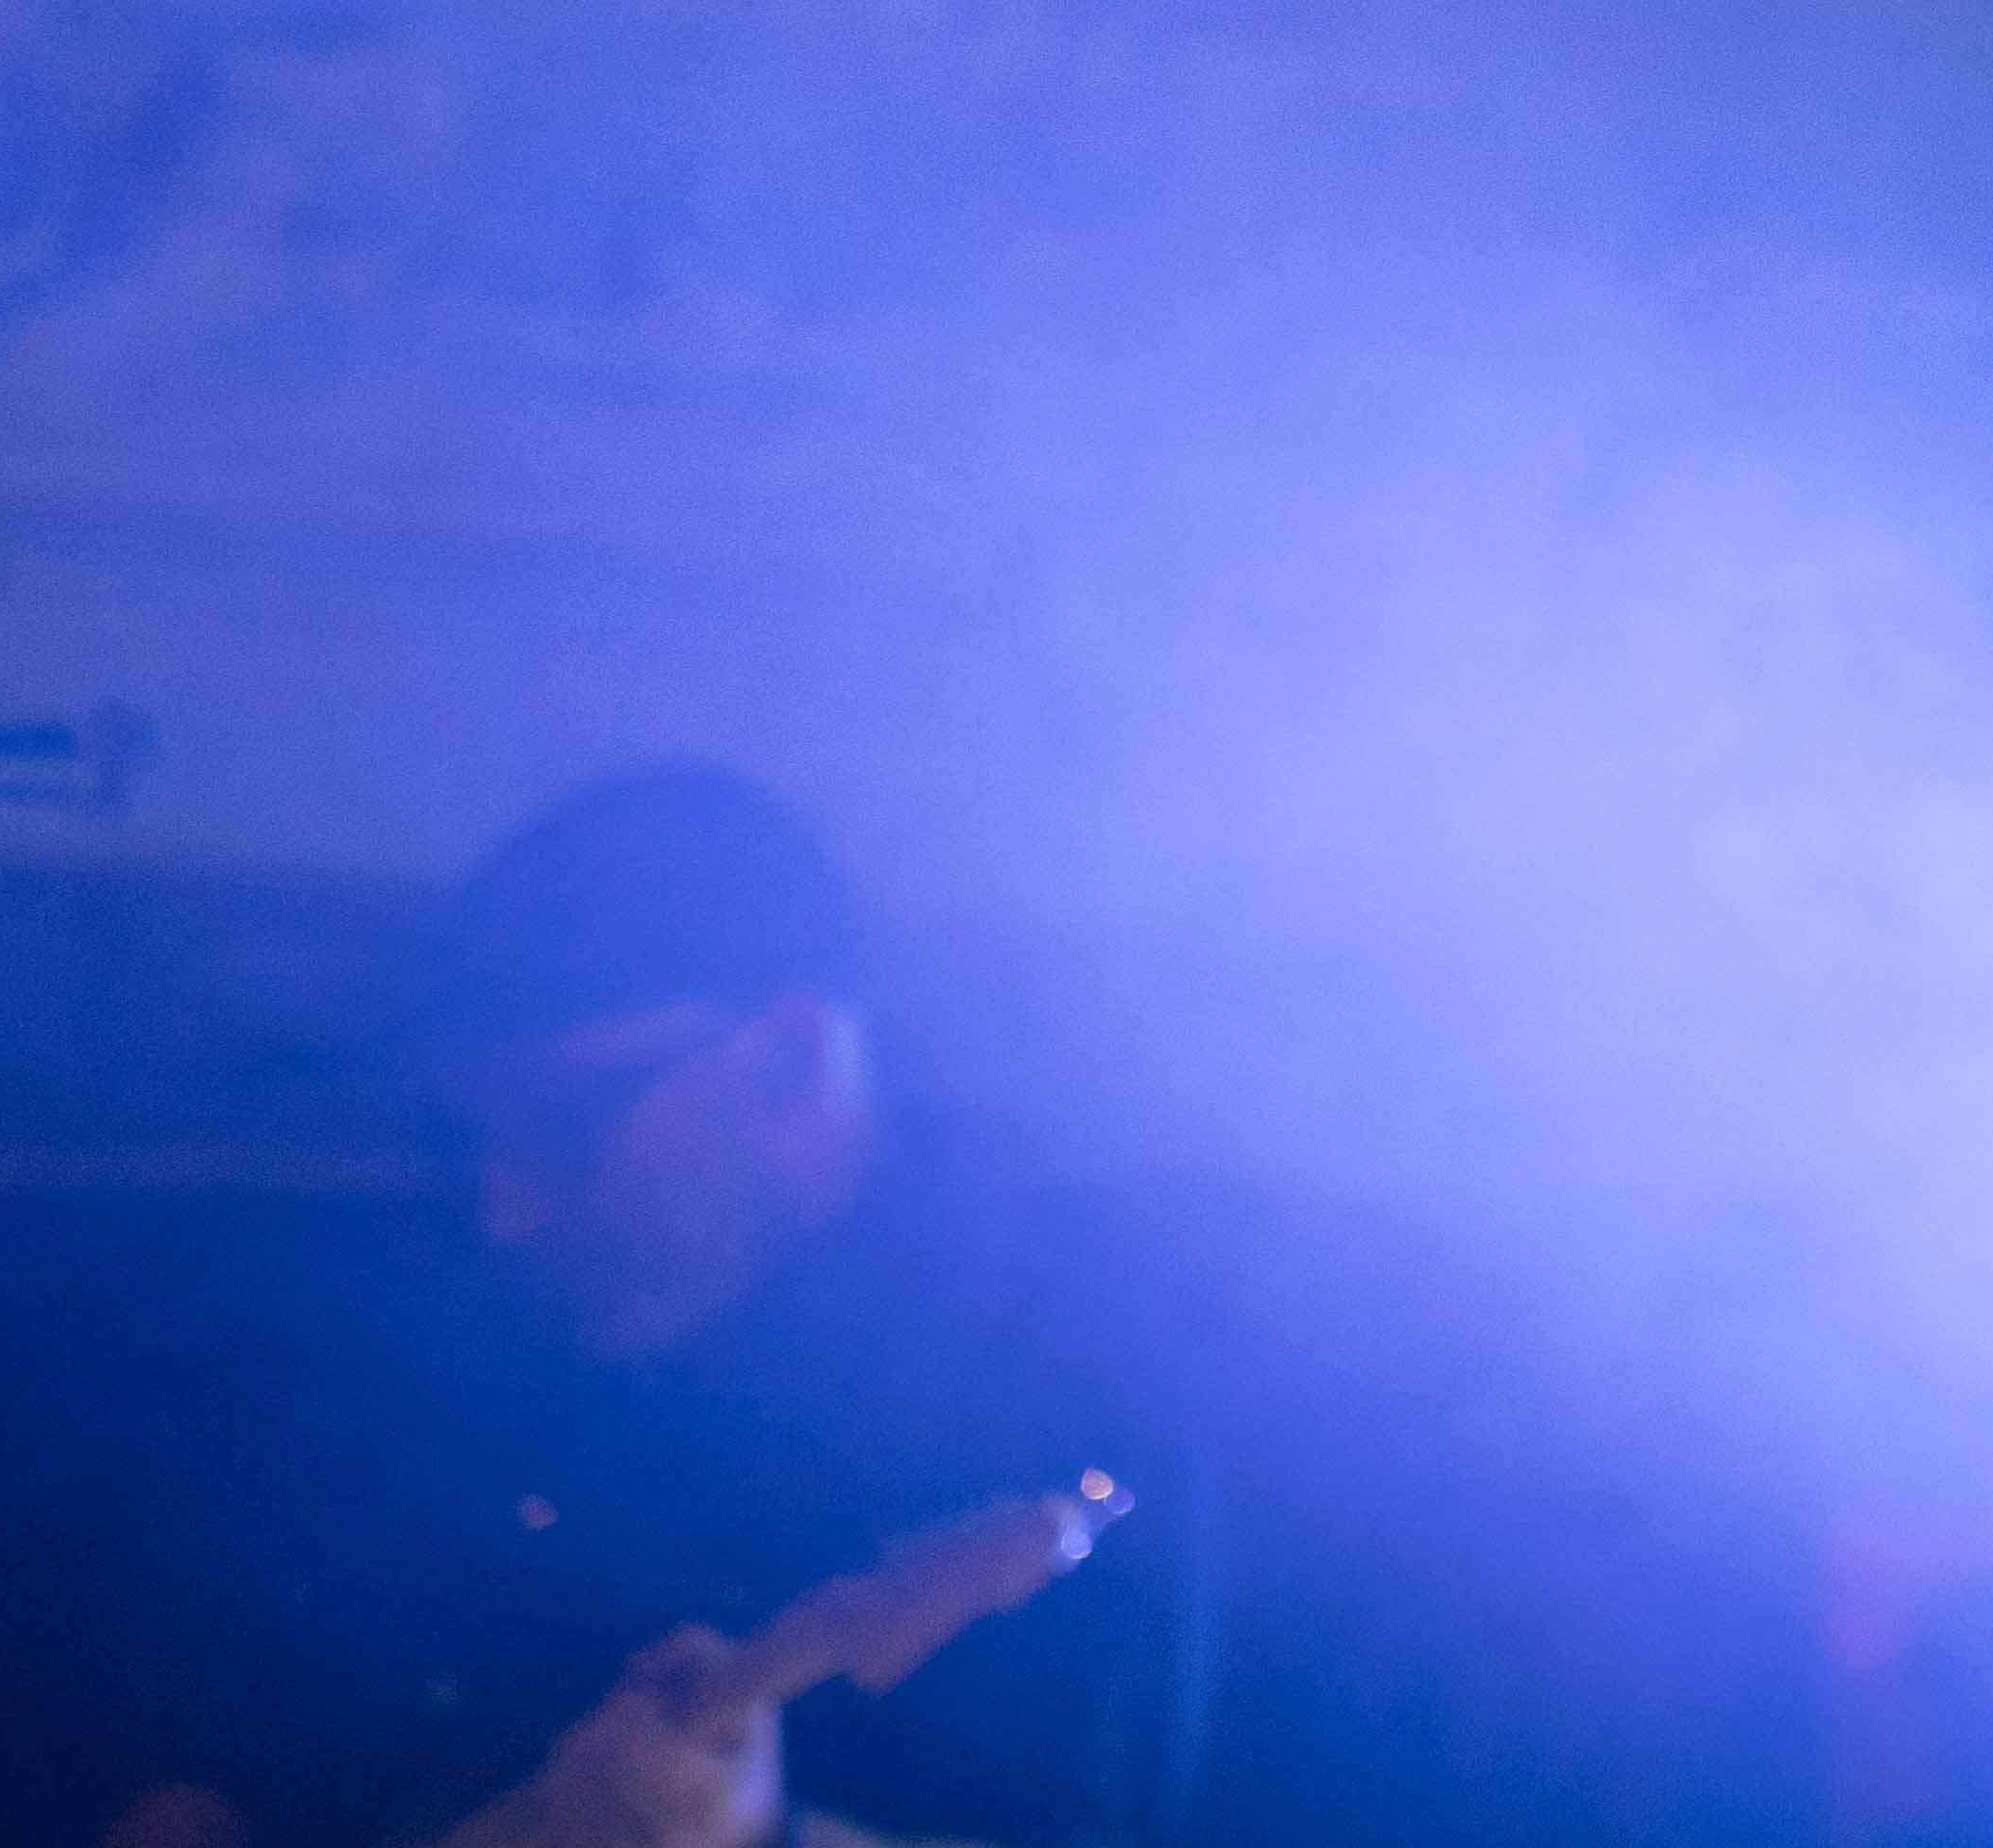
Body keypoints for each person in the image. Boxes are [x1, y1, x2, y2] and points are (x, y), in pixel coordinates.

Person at [69, 769, 1208, 1848]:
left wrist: (765, 1843)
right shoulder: (528, 1367)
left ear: (789, 1061)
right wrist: (212, 1787)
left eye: (561, 1130)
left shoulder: (1095, 1383)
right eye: (475, 1142)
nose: (504, 1211)